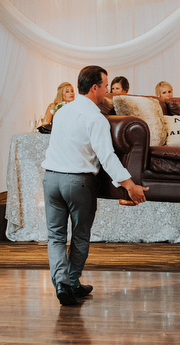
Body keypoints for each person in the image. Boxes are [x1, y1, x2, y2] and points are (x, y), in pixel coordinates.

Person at [41, 65, 149, 306]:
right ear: (94, 88)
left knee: (56, 236)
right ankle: (71, 280)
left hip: (51, 179)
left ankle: (63, 284)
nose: (108, 90)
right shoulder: (95, 118)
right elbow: (107, 157)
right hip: (77, 181)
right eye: (106, 86)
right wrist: (129, 184)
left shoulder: (62, 112)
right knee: (80, 235)